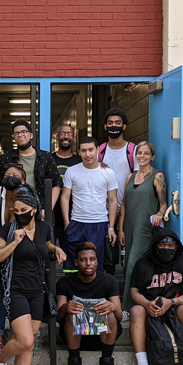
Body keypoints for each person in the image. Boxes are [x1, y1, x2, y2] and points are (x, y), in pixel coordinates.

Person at [0, 185, 67, 365]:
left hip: (37, 291)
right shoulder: (8, 230)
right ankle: (0, 359)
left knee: (28, 343)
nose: (19, 214)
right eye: (15, 210)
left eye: (23, 210)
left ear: (34, 209)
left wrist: (55, 249)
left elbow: (45, 244)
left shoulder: (44, 228)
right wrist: (14, 243)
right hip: (15, 290)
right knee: (25, 340)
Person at [128, 226, 183, 365]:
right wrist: (147, 304)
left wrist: (172, 302)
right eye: (162, 245)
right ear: (155, 245)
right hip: (151, 308)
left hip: (175, 308)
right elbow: (134, 291)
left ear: (176, 246)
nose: (167, 248)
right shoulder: (143, 263)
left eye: (171, 245)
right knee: (136, 310)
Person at [56, 242, 122, 365]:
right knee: (72, 312)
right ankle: (74, 362)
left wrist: (113, 307)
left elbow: (120, 316)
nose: (88, 263)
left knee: (110, 313)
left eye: (92, 259)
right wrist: (65, 308)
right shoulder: (64, 282)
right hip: (75, 337)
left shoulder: (109, 281)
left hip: (102, 338)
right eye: (83, 260)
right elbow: (58, 316)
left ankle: (107, 362)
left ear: (97, 262)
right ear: (76, 262)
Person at [117, 141, 168, 311]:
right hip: (129, 227)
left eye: (146, 153)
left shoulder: (157, 176)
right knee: (127, 265)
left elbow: (163, 203)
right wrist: (120, 229)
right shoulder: (130, 177)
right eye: (139, 153)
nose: (142, 156)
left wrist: (160, 214)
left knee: (134, 264)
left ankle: (128, 308)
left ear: (152, 157)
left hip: (144, 228)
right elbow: (124, 204)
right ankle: (138, 305)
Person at [60, 136, 118, 264]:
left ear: (98, 150)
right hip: (76, 222)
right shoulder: (71, 171)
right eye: (84, 150)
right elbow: (65, 197)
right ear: (79, 152)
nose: (87, 154)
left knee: (94, 264)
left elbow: (113, 200)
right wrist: (67, 223)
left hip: (99, 223)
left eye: (91, 150)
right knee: (73, 264)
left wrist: (111, 227)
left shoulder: (108, 173)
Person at [0, 163, 27, 356]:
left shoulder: (27, 197)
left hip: (19, 249)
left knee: (15, 293)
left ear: (24, 181)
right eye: (7, 175)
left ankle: (14, 334)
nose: (10, 177)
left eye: (15, 175)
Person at [98, 108, 138, 275]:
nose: (114, 126)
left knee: (129, 249)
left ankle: (129, 286)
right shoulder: (99, 151)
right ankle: (109, 284)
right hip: (104, 209)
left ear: (124, 126)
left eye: (118, 123)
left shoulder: (133, 150)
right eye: (110, 123)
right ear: (105, 126)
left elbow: (138, 179)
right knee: (107, 252)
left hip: (128, 208)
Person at [0, 119, 62, 213]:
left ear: (31, 135)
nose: (20, 135)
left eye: (24, 132)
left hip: (40, 208)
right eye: (16, 133)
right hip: (14, 209)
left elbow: (56, 184)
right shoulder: (6, 158)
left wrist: (48, 209)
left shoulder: (46, 157)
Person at [51, 124, 81, 271]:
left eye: (69, 134)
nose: (66, 136)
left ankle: (70, 284)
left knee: (71, 256)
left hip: (73, 216)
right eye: (62, 133)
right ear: (57, 137)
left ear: (74, 138)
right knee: (48, 256)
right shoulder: (48, 159)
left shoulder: (80, 161)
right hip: (51, 215)